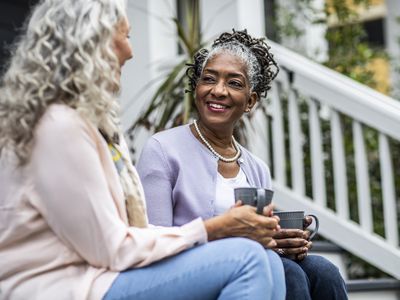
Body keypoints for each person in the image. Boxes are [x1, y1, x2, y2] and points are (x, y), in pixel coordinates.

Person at [0, 2, 286, 300]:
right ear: (91, 43)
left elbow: (124, 234)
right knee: (247, 259)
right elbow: (111, 249)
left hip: (98, 276)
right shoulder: (58, 127)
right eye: (124, 36)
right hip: (63, 287)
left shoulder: (90, 124)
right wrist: (213, 229)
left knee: (269, 261)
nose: (130, 51)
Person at [137, 29, 348, 300]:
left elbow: (259, 240)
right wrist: (240, 237)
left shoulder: (256, 167)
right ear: (197, 88)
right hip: (188, 272)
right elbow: (154, 242)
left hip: (253, 263)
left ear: (250, 101)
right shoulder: (163, 150)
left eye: (234, 83)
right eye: (209, 79)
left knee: (323, 270)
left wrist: (280, 241)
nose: (218, 91)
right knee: (289, 273)